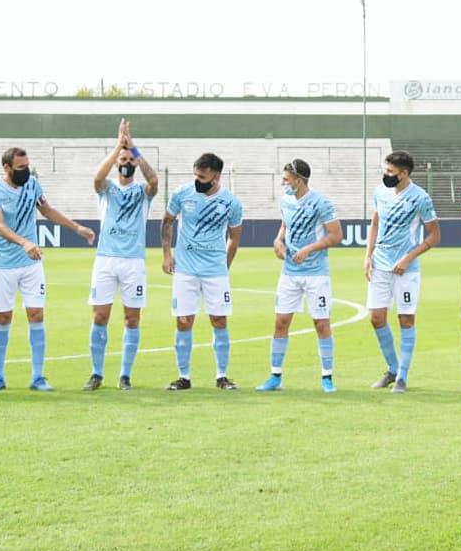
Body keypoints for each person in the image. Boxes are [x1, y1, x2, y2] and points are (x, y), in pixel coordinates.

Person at [0, 147, 96, 392]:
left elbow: (47, 210)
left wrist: (77, 228)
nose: (26, 171)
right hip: (3, 264)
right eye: (21, 167)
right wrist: (24, 242)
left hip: (32, 265)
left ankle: (38, 377)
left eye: (28, 166)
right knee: (3, 317)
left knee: (36, 315)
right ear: (7, 168)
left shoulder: (33, 185)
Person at [83, 119, 159, 391]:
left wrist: (135, 148)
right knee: (100, 316)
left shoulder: (142, 192)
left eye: (130, 159)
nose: (126, 162)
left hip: (133, 261)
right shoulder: (108, 190)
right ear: (116, 162)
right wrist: (118, 146)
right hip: (106, 259)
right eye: (122, 159)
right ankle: (96, 373)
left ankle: (125, 374)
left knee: (132, 318)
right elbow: (96, 178)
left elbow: (154, 180)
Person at [256, 159, 342, 393]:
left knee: (321, 323)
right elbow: (284, 227)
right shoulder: (286, 201)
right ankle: (275, 376)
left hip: (316, 274)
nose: (282, 183)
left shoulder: (320, 203)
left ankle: (327, 377)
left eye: (286, 179)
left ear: (299, 180)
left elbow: (336, 236)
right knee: (281, 322)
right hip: (290, 273)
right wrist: (278, 241)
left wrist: (308, 249)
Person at [162, 153, 243, 390]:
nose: (198, 180)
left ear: (216, 176)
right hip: (185, 269)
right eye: (196, 175)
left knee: (219, 320)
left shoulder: (231, 202)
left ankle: (222, 376)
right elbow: (167, 221)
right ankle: (184, 377)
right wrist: (167, 254)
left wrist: (223, 267)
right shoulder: (182, 194)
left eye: (203, 176)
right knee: (184, 321)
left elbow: (235, 238)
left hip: (214, 271)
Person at [365, 151, 440, 394]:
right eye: (385, 171)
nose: (386, 176)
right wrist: (368, 255)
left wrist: (408, 258)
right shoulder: (379, 193)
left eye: (390, 172)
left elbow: (434, 236)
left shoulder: (420, 198)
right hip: (380, 265)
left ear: (404, 173)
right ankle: (393, 368)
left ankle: (402, 377)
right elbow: (375, 223)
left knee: (405, 319)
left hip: (405, 271)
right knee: (376, 318)